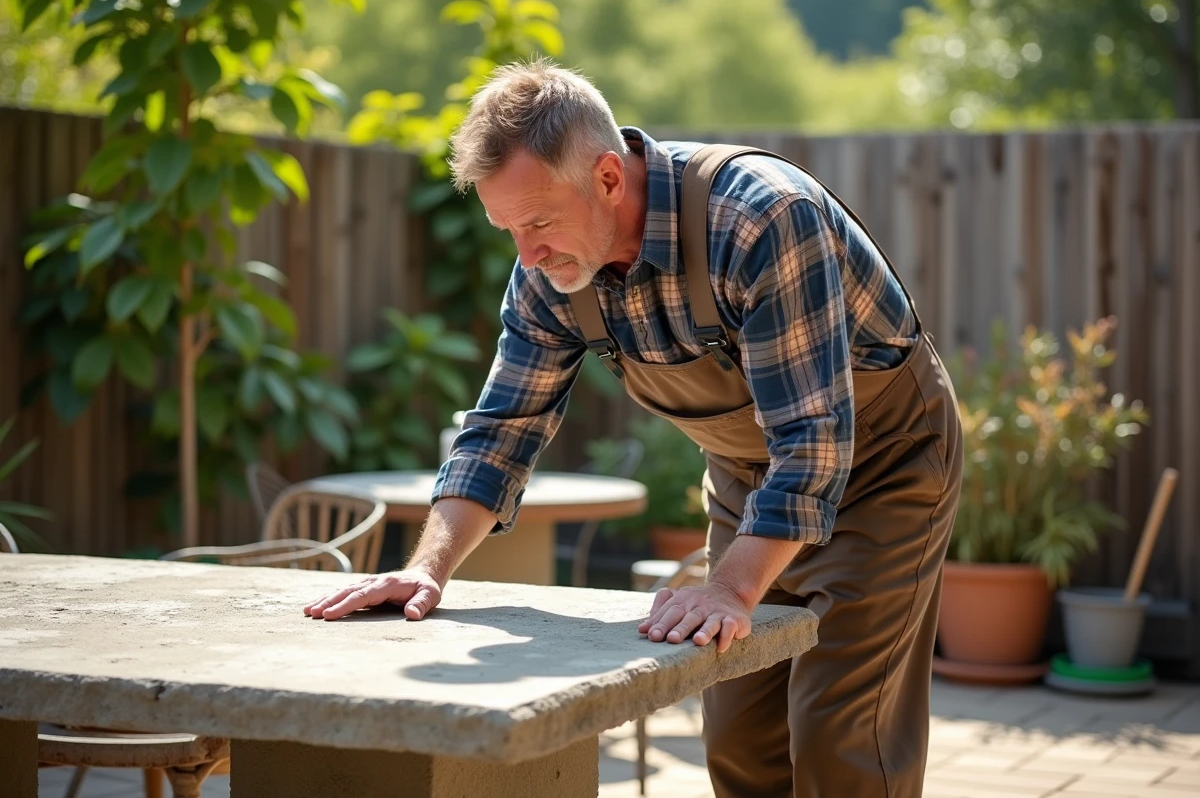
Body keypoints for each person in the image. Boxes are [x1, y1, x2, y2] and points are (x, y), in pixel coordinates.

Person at [304, 59, 962, 798]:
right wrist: (427, 568)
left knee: (842, 733)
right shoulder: (551, 273)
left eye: (540, 222)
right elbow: (502, 430)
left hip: (886, 467)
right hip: (749, 481)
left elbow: (812, 439)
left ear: (609, 179)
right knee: (742, 737)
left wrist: (732, 590)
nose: (525, 255)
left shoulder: (758, 217)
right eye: (509, 230)